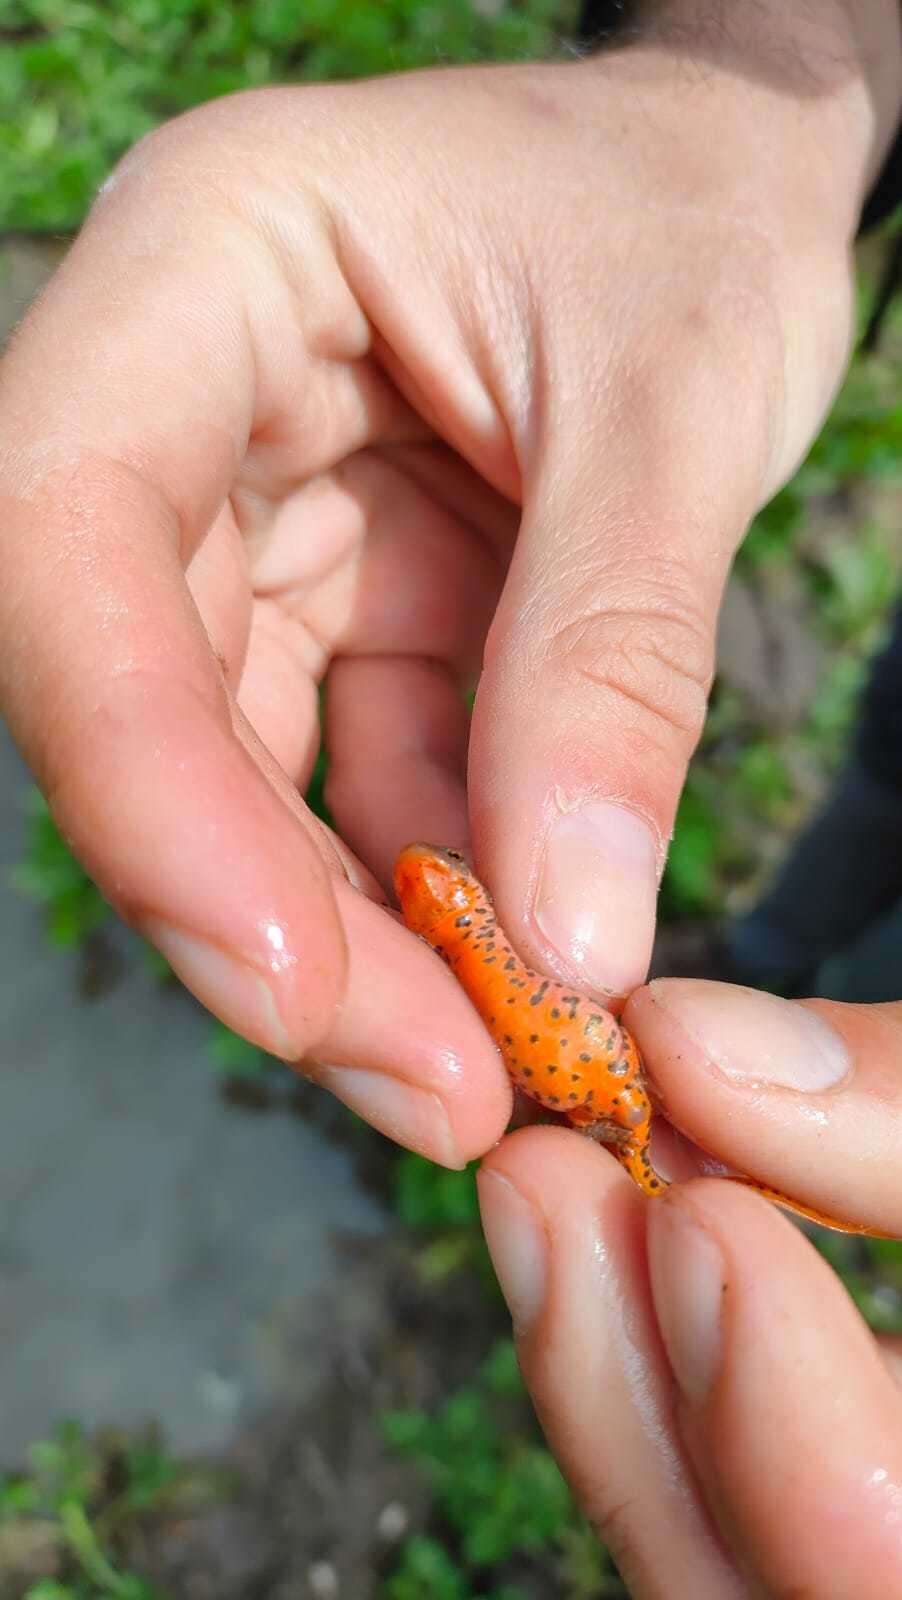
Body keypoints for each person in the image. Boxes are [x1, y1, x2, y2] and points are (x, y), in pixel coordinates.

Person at [0, 0, 900, 1591]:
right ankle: (768, 975)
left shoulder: (485, 924)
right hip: (595, 1022)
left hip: (590, 1058)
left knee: (715, 1083)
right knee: (850, 850)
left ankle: (750, 1057)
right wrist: (755, 95)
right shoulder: (467, 908)